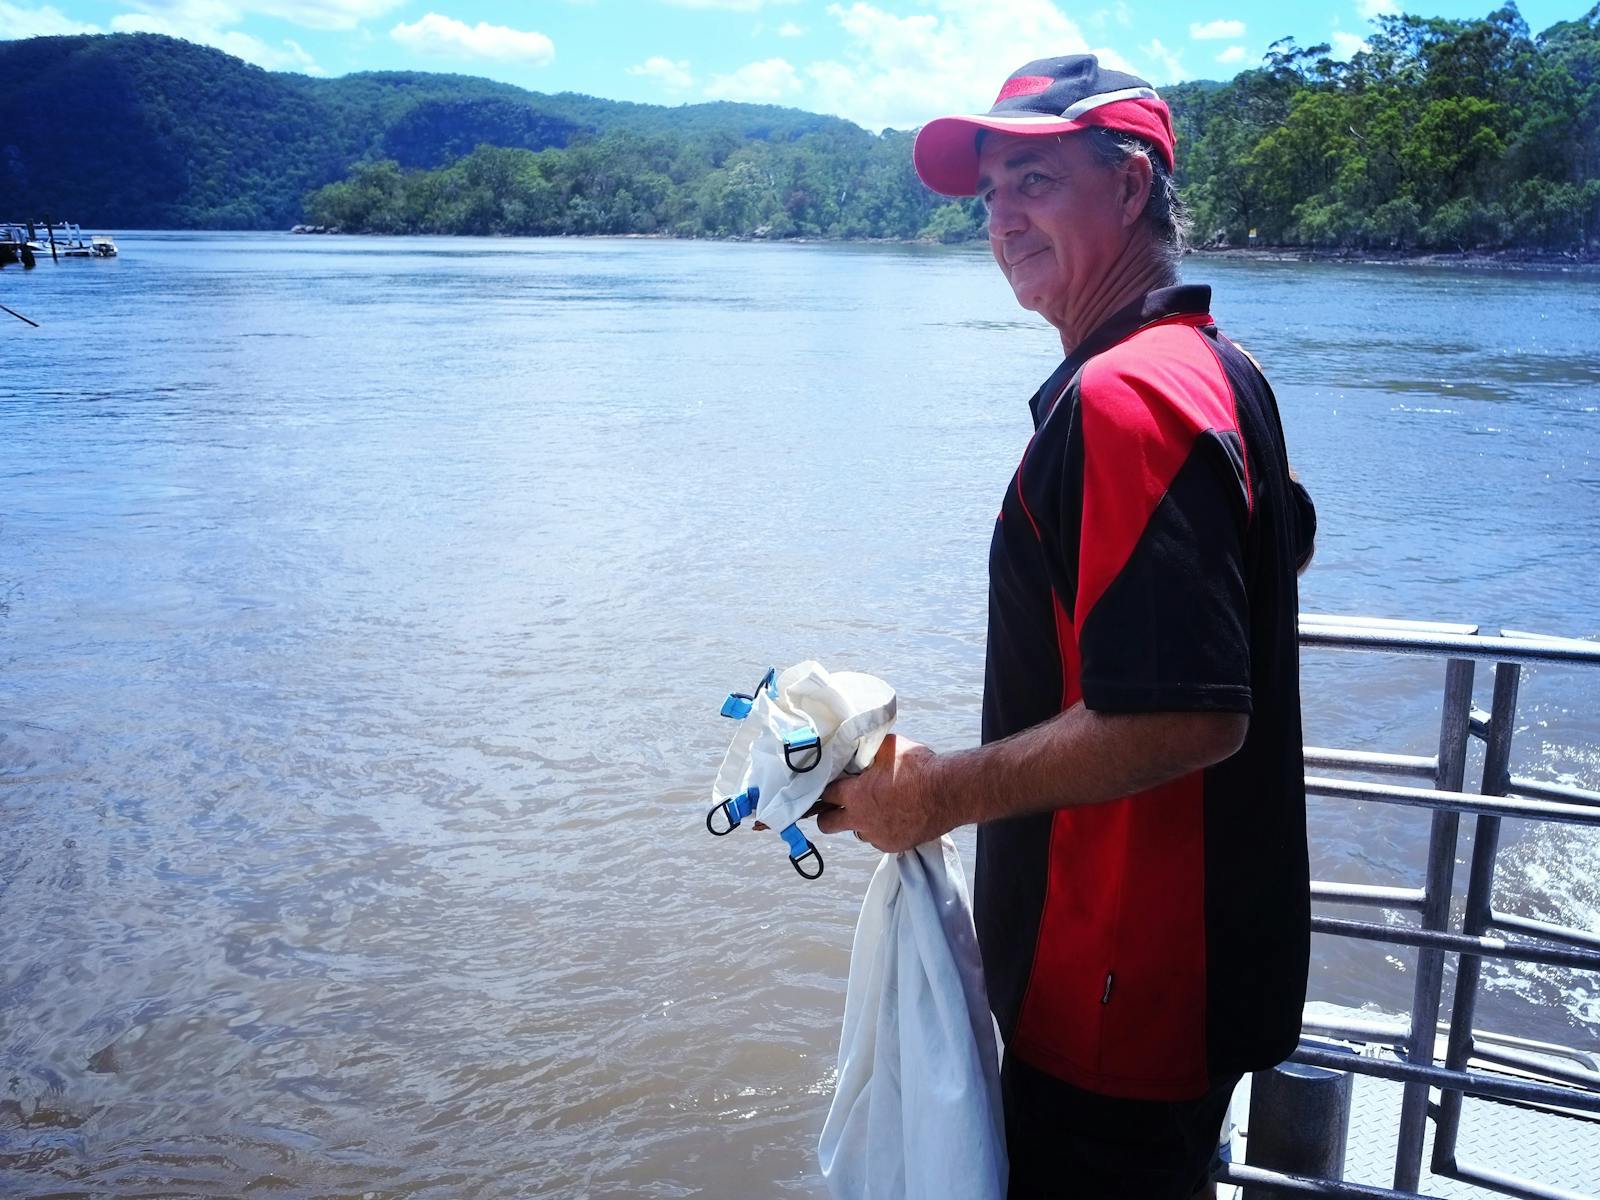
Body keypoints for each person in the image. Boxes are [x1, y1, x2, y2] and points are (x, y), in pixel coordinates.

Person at [814, 55, 1318, 1199]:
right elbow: (1268, 552)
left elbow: (1185, 717)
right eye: (989, 193)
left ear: (1130, 186)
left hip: (1117, 1006)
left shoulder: (1127, 398)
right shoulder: (1218, 367)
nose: (999, 218)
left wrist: (929, 796)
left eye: (1032, 180)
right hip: (1188, 981)